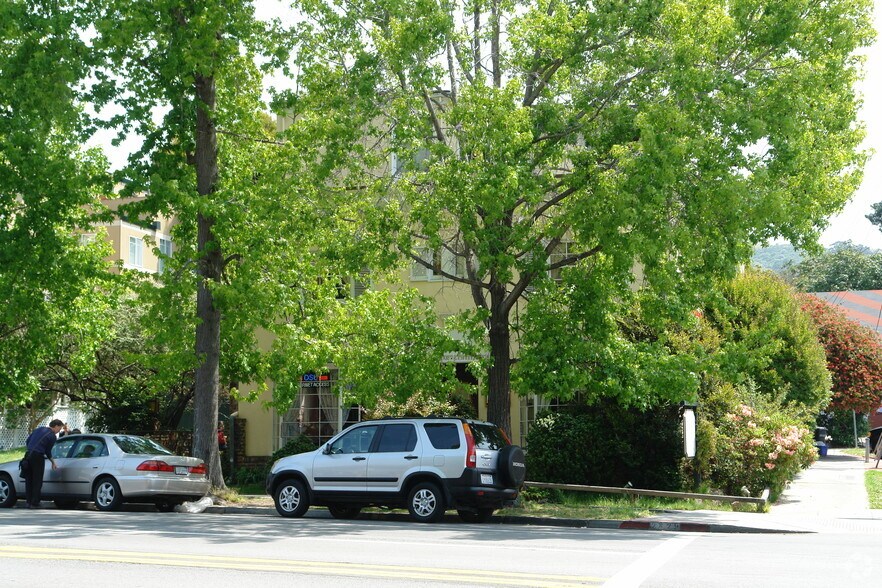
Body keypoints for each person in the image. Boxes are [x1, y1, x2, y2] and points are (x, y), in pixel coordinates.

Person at [24, 419, 64, 509]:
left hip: (28, 455)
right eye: (59, 428)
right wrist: (53, 462)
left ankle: (28, 502)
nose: (59, 431)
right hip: (38, 457)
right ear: (56, 426)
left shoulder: (39, 429)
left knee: (29, 480)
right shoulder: (52, 436)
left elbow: (28, 441)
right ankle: (35, 503)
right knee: (37, 480)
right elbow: (48, 451)